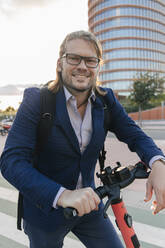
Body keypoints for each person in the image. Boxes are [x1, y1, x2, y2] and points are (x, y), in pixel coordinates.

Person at [0, 30, 165, 248]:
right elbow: (11, 162)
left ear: (98, 66)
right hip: (45, 211)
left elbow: (134, 134)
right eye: (74, 58)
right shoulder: (37, 100)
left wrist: (158, 163)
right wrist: (62, 195)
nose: (82, 66)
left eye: (90, 60)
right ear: (60, 63)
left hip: (90, 205)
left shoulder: (107, 101)